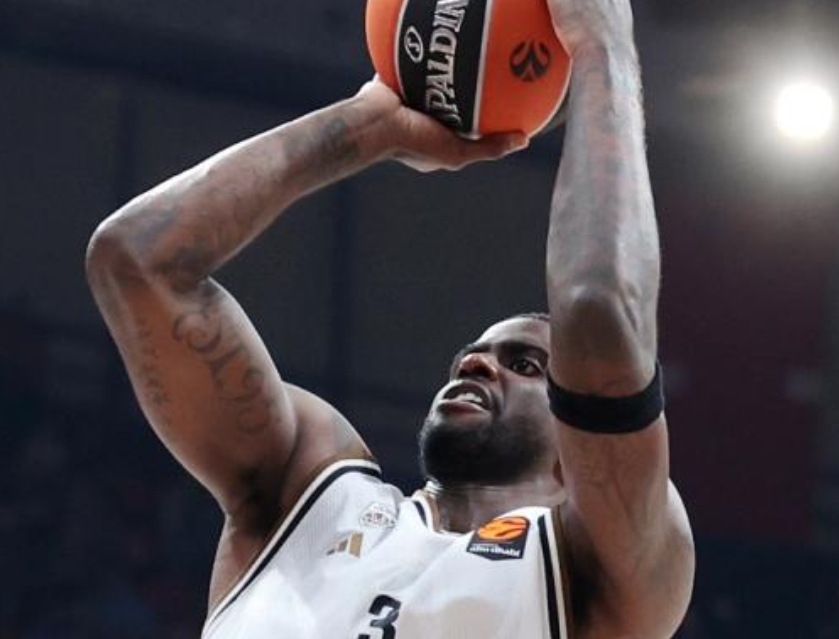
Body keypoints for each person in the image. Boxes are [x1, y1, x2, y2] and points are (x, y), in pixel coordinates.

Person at [85, 0, 694, 636]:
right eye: (470, 357)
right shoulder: (310, 489)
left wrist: (603, 49)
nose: (479, 365)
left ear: (578, 443)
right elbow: (136, 259)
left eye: (525, 364)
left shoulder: (597, 569)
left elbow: (597, 312)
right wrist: (372, 125)